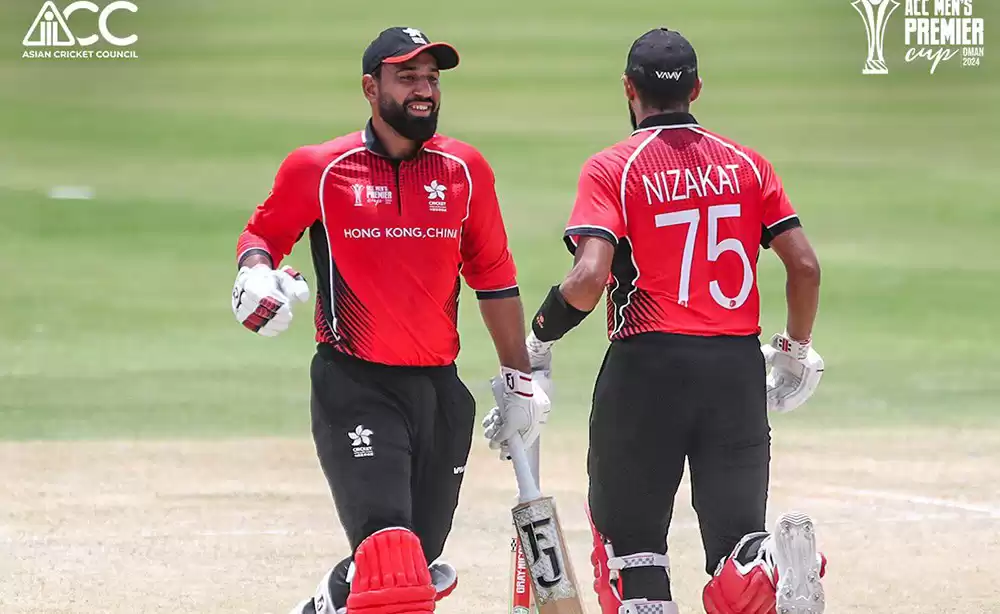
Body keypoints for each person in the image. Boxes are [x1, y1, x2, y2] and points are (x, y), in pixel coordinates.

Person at [486, 28, 828, 614]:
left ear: (629, 88)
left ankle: (691, 581)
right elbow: (805, 267)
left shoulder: (613, 167)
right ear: (696, 89)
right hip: (735, 371)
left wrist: (538, 337)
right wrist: (795, 351)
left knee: (632, 555)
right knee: (734, 544)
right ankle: (764, 562)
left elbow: (588, 279)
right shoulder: (749, 165)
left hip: (647, 372)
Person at [230, 26, 550, 614]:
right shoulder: (321, 168)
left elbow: (495, 279)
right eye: (407, 78)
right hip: (356, 385)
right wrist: (254, 273)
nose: (424, 89)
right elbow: (263, 236)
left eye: (431, 78)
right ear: (370, 88)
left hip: (440, 392)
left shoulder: (464, 169)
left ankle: (326, 604)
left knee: (413, 568)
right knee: (391, 562)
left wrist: (518, 379)